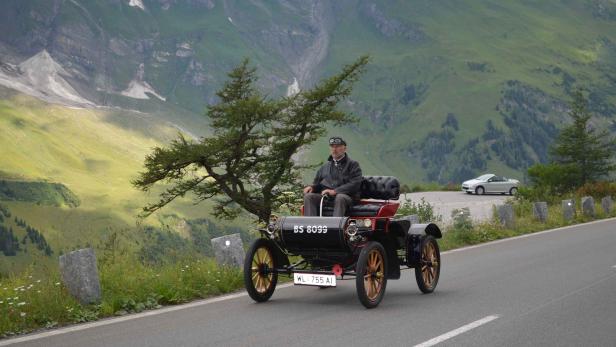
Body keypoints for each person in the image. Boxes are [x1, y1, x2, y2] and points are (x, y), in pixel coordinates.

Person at [303, 136, 363, 216]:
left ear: (344, 148)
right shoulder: (325, 167)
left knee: (340, 197)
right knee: (309, 197)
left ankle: (336, 228)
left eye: (337, 147)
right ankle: (311, 226)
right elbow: (318, 184)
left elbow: (355, 184)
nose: (334, 150)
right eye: (332, 147)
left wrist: (335, 191)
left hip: (347, 197)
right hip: (327, 198)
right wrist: (312, 187)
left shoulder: (353, 165)